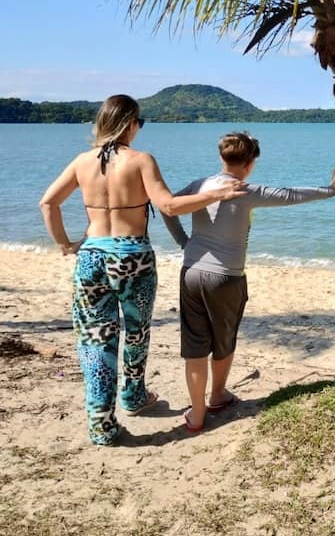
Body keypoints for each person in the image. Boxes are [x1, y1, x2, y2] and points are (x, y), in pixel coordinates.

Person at [39, 94, 246, 446]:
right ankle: (133, 395)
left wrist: (65, 244)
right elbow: (169, 205)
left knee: (95, 341)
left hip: (92, 256)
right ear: (130, 123)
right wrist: (217, 195)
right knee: (136, 333)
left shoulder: (82, 162)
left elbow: (48, 203)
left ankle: (101, 425)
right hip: (133, 258)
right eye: (140, 123)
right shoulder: (140, 160)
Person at [162, 131, 335, 433]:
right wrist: (331, 190)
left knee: (195, 346)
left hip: (191, 272)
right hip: (226, 277)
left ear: (222, 157)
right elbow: (290, 195)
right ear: (250, 163)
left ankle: (197, 415)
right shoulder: (246, 190)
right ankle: (218, 395)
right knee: (224, 340)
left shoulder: (199, 186)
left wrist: (184, 242)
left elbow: (168, 208)